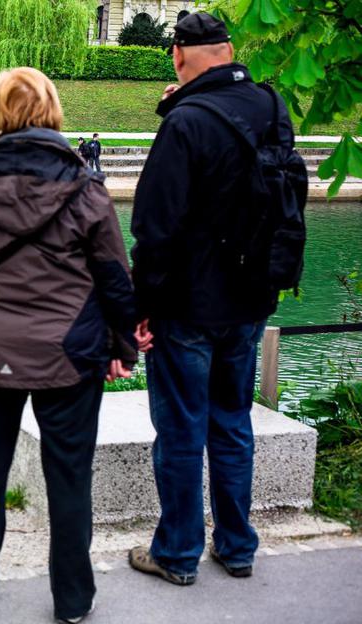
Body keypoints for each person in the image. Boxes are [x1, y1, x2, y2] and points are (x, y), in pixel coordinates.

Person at [0, 67, 137, 624]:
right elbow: (114, 274)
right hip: (69, 352)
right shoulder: (85, 185)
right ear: (52, 111)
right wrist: (122, 346)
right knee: (69, 476)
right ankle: (72, 599)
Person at [127, 12, 305, 586]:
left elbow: (156, 227)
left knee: (181, 430)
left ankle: (177, 555)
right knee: (232, 423)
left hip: (188, 306)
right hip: (252, 299)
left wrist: (142, 307)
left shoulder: (185, 123)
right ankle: (237, 547)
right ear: (230, 50)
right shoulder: (272, 108)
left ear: (177, 54)